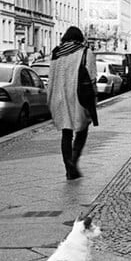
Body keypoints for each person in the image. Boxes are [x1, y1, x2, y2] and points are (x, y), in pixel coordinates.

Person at [47, 26, 98, 180]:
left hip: (59, 97)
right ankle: (73, 162)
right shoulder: (85, 52)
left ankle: (68, 166)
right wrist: (94, 98)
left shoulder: (56, 53)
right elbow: (92, 78)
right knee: (82, 130)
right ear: (80, 37)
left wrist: (50, 99)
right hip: (78, 97)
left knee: (66, 132)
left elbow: (51, 78)